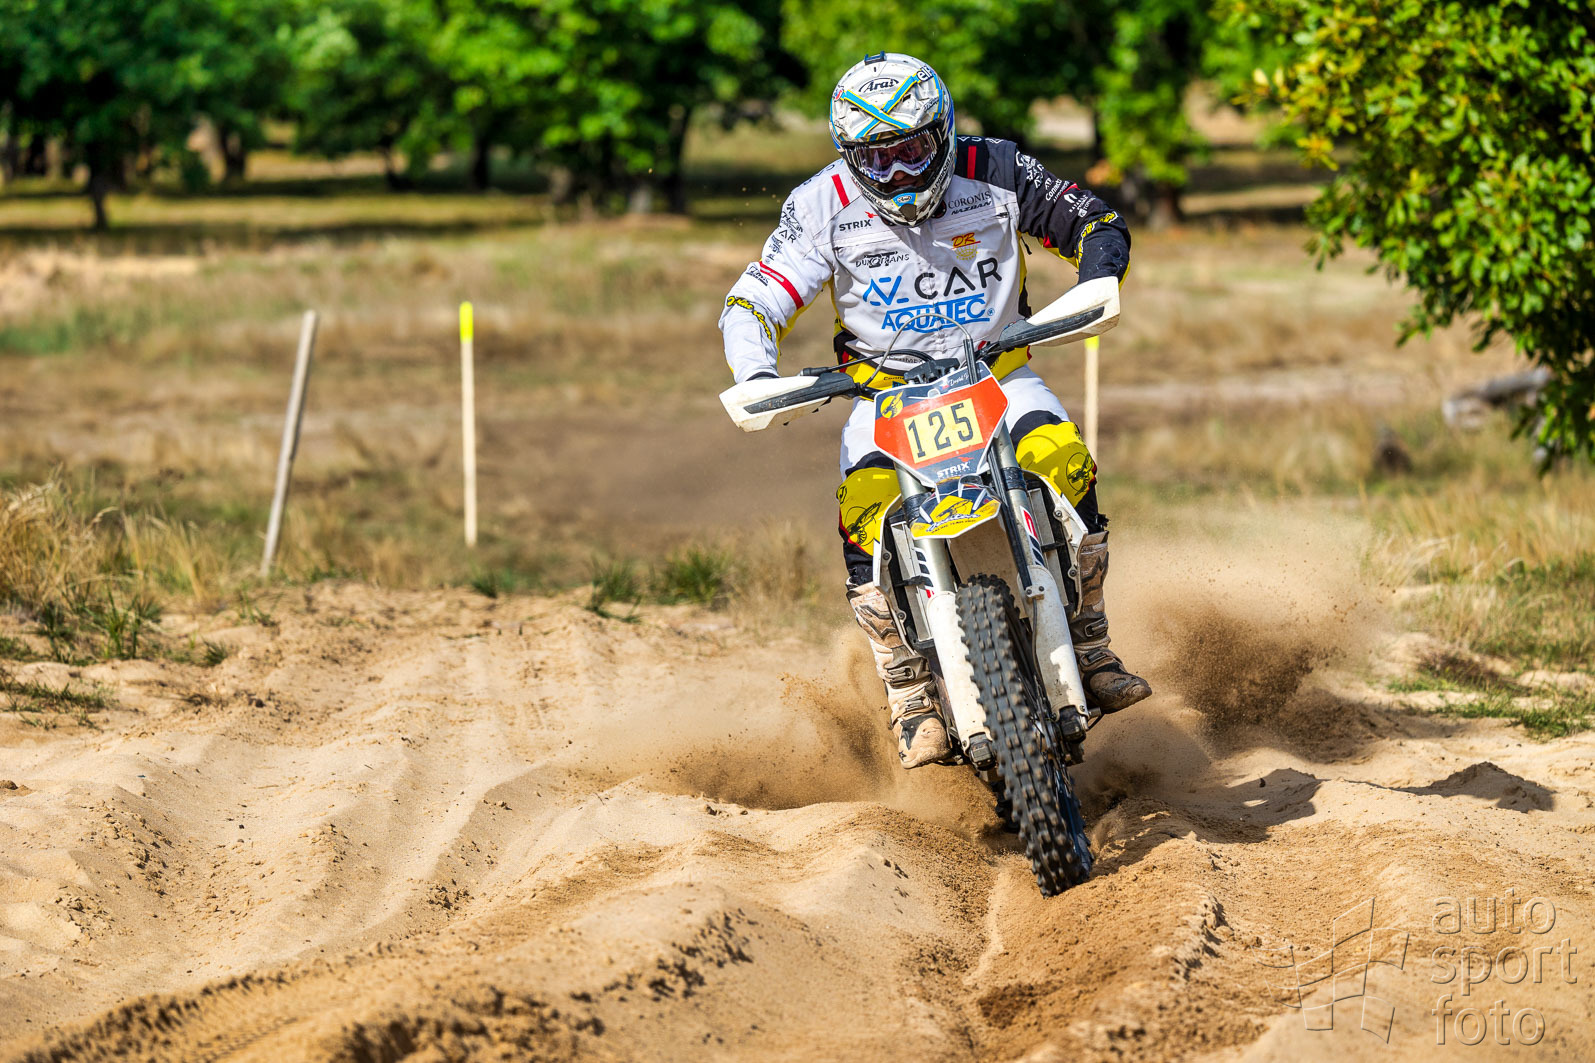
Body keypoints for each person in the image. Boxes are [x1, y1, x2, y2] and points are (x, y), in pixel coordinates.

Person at [719, 52, 1151, 769]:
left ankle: (1090, 640)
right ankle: (910, 689)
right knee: (865, 512)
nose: (895, 173)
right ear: (847, 156)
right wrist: (754, 372)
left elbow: (1093, 221)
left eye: (912, 150)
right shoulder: (820, 204)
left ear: (943, 132)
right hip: (883, 395)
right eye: (874, 158)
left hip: (998, 376)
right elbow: (755, 297)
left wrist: (1096, 278)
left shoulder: (997, 168)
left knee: (1063, 460)